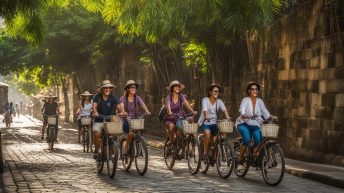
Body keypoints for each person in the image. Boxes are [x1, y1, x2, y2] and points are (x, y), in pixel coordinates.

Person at [235, 82, 277, 163]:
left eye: (256, 89)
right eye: (252, 89)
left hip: (255, 124)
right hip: (243, 123)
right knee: (247, 139)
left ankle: (254, 154)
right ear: (249, 91)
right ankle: (240, 157)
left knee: (258, 139)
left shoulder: (260, 101)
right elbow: (242, 109)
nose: (255, 91)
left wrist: (271, 117)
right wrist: (243, 114)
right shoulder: (245, 100)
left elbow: (265, 111)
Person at [92, 80, 127, 159]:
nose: (108, 89)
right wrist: (95, 112)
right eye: (106, 88)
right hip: (99, 119)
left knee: (114, 134)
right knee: (96, 133)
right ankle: (96, 150)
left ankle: (112, 148)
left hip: (110, 121)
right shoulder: (97, 96)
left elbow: (119, 107)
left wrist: (123, 112)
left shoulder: (113, 97)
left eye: (110, 88)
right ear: (102, 89)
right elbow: (94, 107)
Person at [198, 84, 230, 160]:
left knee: (219, 138)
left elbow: (224, 109)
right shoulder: (205, 99)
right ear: (210, 92)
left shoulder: (219, 101)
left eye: (218, 91)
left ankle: (214, 155)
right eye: (215, 91)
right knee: (207, 134)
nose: (217, 93)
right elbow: (205, 109)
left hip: (214, 123)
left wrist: (227, 116)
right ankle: (205, 153)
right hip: (205, 122)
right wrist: (206, 116)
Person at [162, 80, 197, 152]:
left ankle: (184, 148)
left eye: (178, 86)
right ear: (172, 88)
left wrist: (192, 111)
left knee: (182, 131)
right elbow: (168, 105)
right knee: (171, 127)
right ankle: (171, 141)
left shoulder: (181, 96)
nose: (177, 87)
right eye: (176, 86)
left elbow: (186, 103)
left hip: (180, 117)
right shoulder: (168, 97)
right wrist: (169, 111)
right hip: (170, 118)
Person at [120, 80, 151, 155]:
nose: (133, 89)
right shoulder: (123, 98)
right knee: (130, 133)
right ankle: (126, 147)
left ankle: (137, 142)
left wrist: (147, 111)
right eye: (131, 87)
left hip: (135, 119)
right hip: (126, 120)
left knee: (139, 129)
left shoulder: (137, 98)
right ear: (127, 89)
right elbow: (121, 105)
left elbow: (142, 105)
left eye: (134, 87)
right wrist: (123, 111)